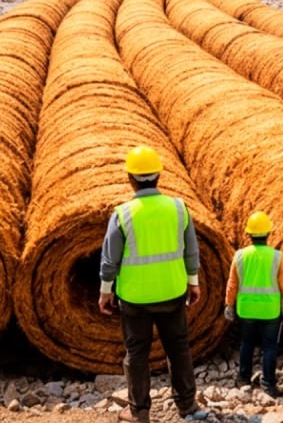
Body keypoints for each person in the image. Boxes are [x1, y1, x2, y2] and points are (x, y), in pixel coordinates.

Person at [99, 146, 209, 422]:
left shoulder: (123, 214)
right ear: (159, 175)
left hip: (135, 298)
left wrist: (105, 291)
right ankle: (187, 406)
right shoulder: (178, 208)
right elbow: (190, 251)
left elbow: (110, 258)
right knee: (179, 348)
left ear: (130, 179)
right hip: (172, 292)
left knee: (136, 354)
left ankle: (140, 412)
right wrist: (193, 282)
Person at [224, 210, 283, 398]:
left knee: (246, 344)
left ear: (248, 234)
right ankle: (268, 384)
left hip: (246, 309)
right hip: (270, 310)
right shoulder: (276, 257)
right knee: (270, 347)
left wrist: (229, 305)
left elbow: (232, 284)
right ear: (269, 233)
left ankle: (243, 378)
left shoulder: (240, 256)